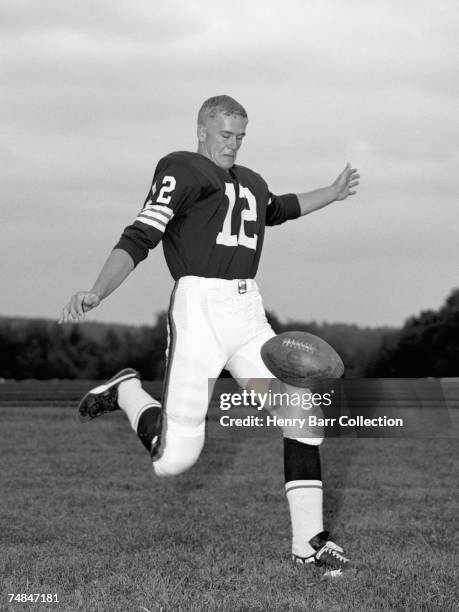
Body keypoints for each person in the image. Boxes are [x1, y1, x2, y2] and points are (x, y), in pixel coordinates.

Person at [60, 95, 359, 578]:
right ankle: (127, 390)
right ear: (201, 130)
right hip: (198, 312)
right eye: (225, 135)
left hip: (246, 312)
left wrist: (333, 190)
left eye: (240, 137)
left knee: (301, 411)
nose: (233, 145)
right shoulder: (181, 169)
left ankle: (307, 544)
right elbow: (141, 235)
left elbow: (280, 209)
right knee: (174, 461)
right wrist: (97, 291)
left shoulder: (251, 181)